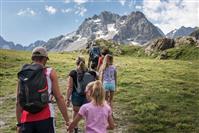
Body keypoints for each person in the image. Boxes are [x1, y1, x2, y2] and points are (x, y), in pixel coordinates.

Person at [16, 47, 69, 133]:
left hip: (26, 119)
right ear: (45, 59)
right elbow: (59, 97)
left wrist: (19, 124)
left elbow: (18, 101)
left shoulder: (23, 74)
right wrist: (67, 120)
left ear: (32, 58)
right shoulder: (49, 72)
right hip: (46, 117)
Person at [66, 56, 97, 133]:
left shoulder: (73, 73)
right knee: (88, 114)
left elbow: (70, 87)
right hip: (88, 96)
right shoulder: (92, 73)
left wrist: (67, 99)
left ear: (76, 63)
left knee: (76, 112)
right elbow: (97, 85)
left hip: (76, 96)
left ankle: (75, 128)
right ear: (85, 62)